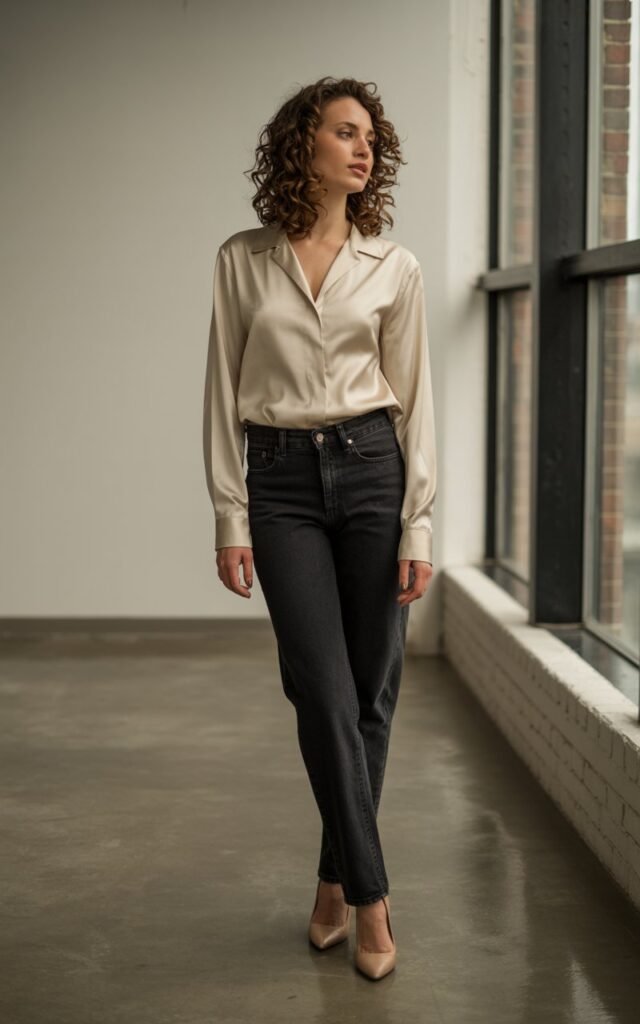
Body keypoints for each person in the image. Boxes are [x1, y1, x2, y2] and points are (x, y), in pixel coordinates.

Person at [203, 75, 437, 981]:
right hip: (281, 482)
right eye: (345, 131)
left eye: (371, 136)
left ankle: (334, 879)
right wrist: (230, 514)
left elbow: (415, 401)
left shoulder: (394, 267)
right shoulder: (242, 259)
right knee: (324, 694)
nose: (363, 147)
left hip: (375, 471)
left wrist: (419, 527)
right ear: (303, 142)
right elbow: (222, 388)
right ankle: (375, 898)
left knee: (371, 696)